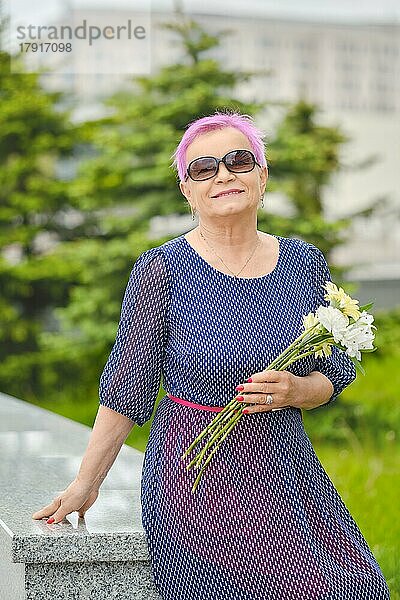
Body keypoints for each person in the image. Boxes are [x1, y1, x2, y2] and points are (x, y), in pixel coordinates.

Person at [32, 110, 390, 600]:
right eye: (203, 168)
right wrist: (85, 485)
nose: (223, 174)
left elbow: (337, 368)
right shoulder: (163, 268)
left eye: (238, 161)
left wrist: (297, 389)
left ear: (261, 176)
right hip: (196, 477)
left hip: (287, 467)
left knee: (354, 584)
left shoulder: (304, 263)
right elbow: (125, 390)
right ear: (187, 189)